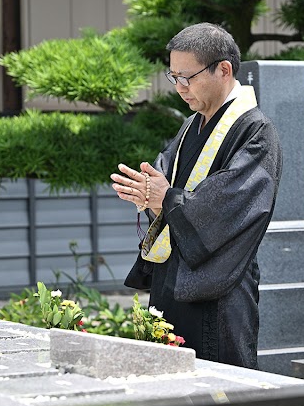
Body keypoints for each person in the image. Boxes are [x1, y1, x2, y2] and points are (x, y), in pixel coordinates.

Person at [110, 22, 282, 369]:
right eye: (174, 77)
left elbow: (231, 204)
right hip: (172, 280)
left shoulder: (256, 130)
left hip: (218, 291)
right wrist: (148, 194)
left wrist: (167, 199)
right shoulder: (192, 124)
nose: (180, 88)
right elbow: (164, 180)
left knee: (220, 387)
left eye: (187, 77)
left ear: (224, 70)